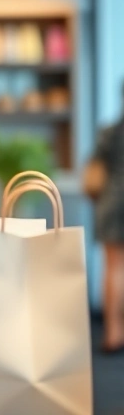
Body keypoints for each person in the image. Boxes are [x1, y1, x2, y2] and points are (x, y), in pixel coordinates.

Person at [91, 84, 124, 353]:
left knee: (113, 268)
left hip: (112, 202)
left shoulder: (110, 132)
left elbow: (94, 172)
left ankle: (113, 332)